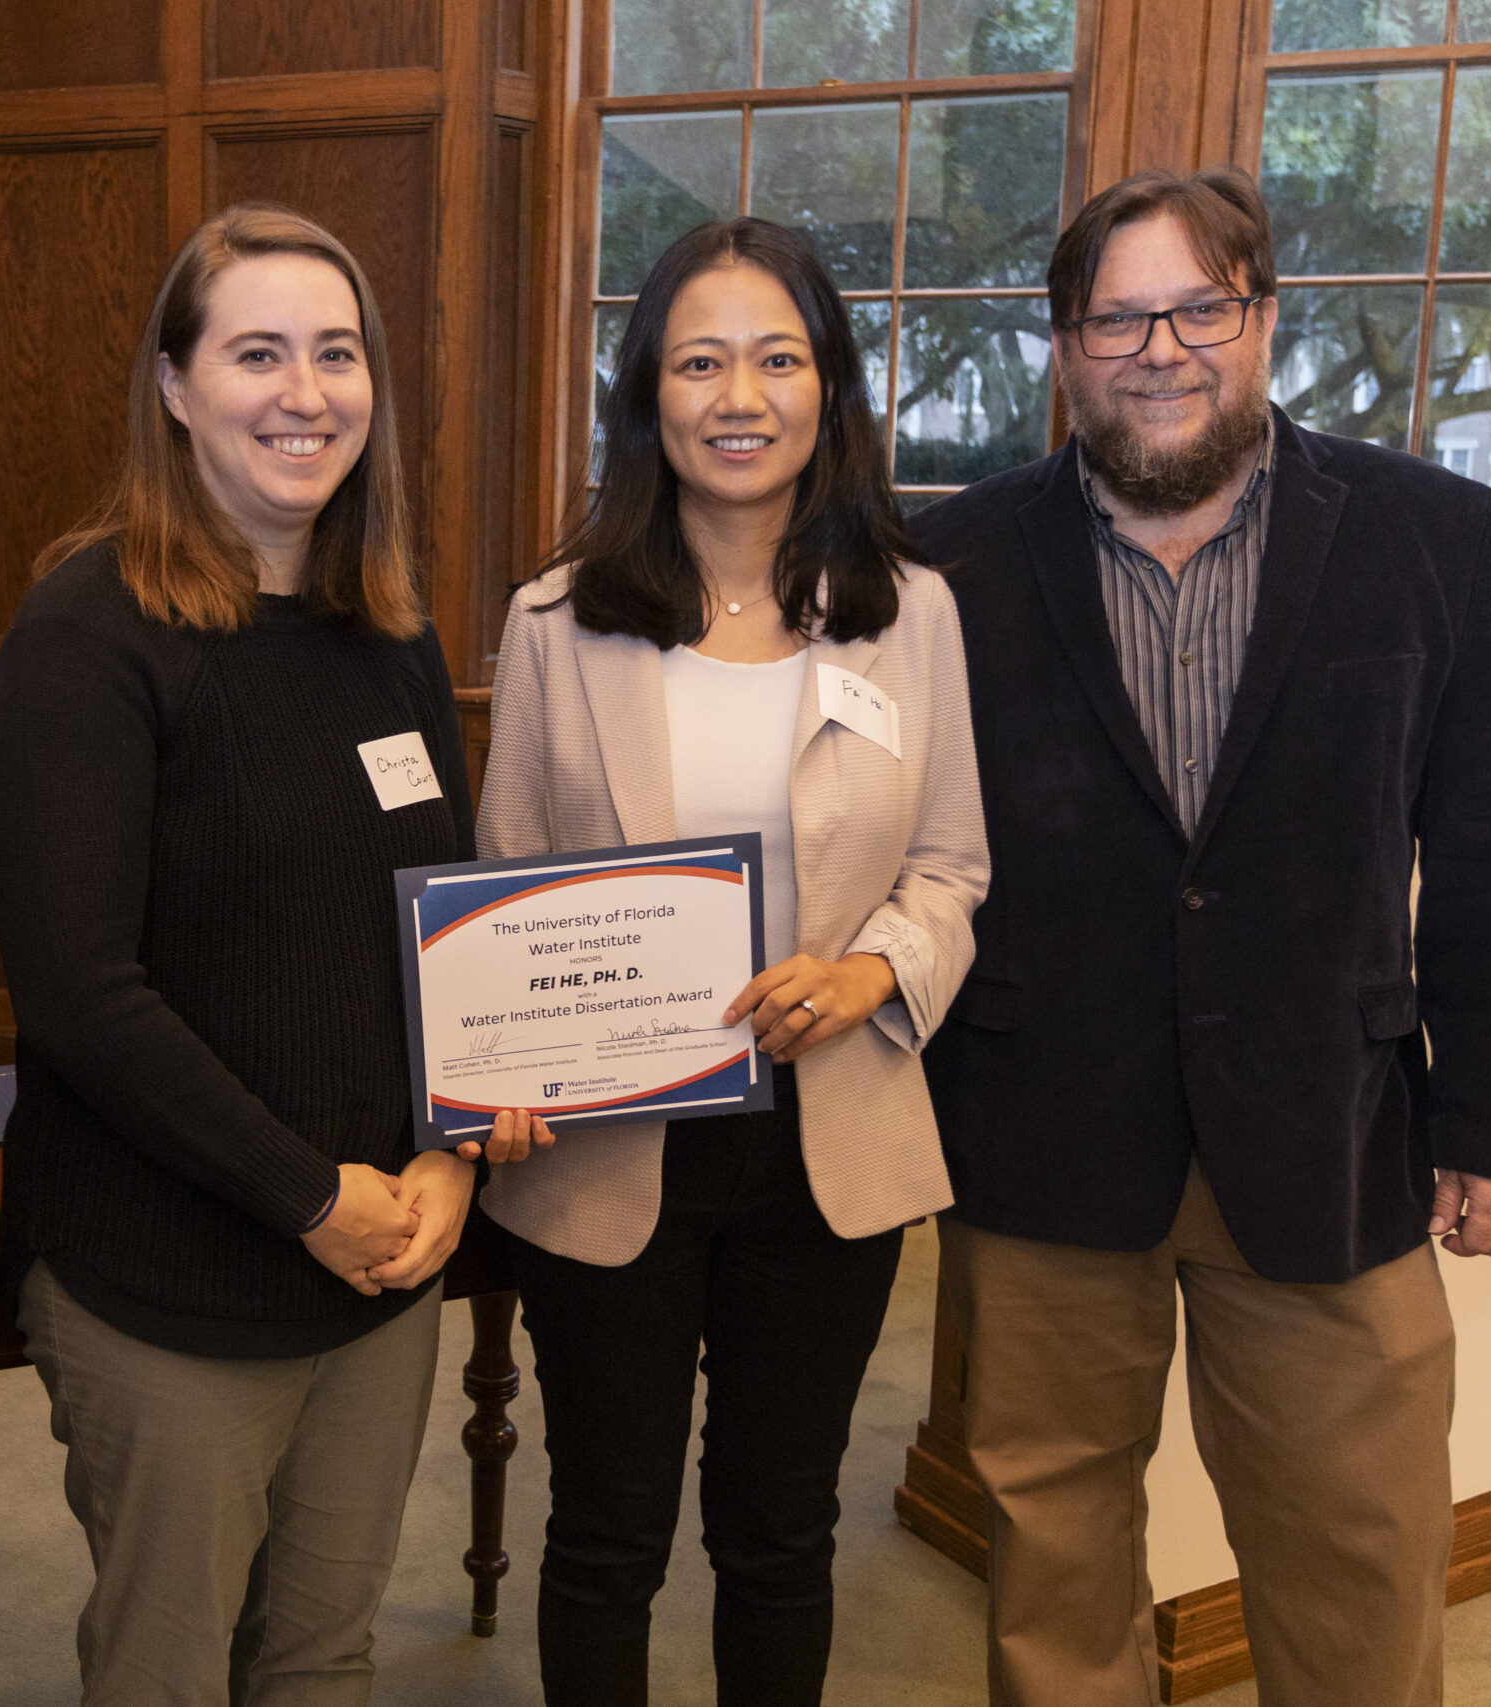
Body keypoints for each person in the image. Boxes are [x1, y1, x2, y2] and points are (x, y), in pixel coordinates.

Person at [907, 166, 1491, 1707]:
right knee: (1052, 1563)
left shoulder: (1438, 539)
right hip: (1044, 1146)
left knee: (1361, 1554)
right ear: (1062, 346)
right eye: (1117, 316)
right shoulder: (947, 570)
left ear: (1264, 319)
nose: (1161, 348)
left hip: (1333, 1140)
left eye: (1199, 307)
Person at [472, 217, 988, 1706]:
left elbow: (953, 868)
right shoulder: (557, 623)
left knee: (782, 1531)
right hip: (606, 1145)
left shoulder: (913, 617)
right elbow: (506, 888)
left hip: (826, 1145)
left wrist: (874, 974)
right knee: (608, 1534)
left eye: (778, 357)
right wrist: (491, 1073)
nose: (739, 394)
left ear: (830, 387)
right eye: (699, 361)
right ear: (649, 397)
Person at [0, 203, 476, 1707]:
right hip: (169, 1281)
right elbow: (76, 993)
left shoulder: (383, 626)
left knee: (324, 1656)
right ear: (176, 388)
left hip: (387, 1254)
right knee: (173, 1676)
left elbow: (445, 927)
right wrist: (308, 1196)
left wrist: (450, 1157)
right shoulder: (87, 636)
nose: (304, 392)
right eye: (257, 352)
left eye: (336, 354)